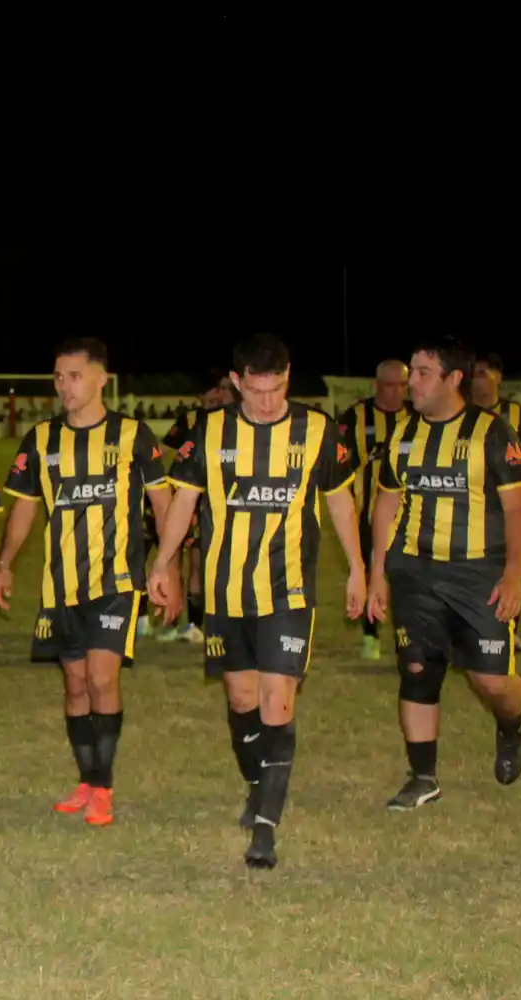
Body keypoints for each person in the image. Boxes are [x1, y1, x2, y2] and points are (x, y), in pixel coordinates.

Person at [149, 334, 366, 869]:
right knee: (242, 700)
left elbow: (340, 502)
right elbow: (185, 500)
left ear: (288, 378)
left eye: (277, 389)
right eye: (256, 391)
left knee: (278, 701)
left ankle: (266, 827)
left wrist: (359, 570)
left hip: (288, 591)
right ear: (237, 382)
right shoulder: (212, 431)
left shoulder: (317, 431)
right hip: (225, 594)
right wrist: (163, 563)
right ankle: (257, 784)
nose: (267, 403)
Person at [0, 338, 170, 826]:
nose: (64, 386)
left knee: (100, 677)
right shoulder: (42, 440)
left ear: (100, 379)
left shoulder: (134, 435)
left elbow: (162, 501)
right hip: (61, 586)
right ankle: (87, 778)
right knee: (74, 685)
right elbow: (24, 507)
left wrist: (167, 565)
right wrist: (4, 563)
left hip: (117, 582)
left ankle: (105, 788)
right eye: (58, 377)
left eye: (73, 375)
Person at [367, 337, 521, 812]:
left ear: (452, 379)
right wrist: (378, 572)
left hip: (478, 574)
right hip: (413, 571)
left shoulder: (492, 433)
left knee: (492, 682)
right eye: (409, 372)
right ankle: (423, 777)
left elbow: (519, 511)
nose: (409, 383)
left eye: (421, 373)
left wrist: (515, 575)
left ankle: (511, 724)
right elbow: (386, 500)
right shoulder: (401, 434)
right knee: (417, 669)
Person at [470, 353, 521, 653]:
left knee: (510, 562)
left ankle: (510, 629)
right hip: (473, 500)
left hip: (509, 501)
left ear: (499, 377)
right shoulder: (460, 412)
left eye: (486, 371)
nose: (481, 377)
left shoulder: (515, 413)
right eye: (475, 372)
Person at [153, 375, 239, 645]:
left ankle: (205, 623)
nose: (219, 395)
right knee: (182, 560)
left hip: (225, 508)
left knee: (210, 566)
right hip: (189, 501)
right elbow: (164, 452)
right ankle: (186, 622)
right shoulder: (195, 423)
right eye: (217, 389)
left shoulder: (241, 424)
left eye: (225, 390)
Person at [337, 359, 411, 661]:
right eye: (389, 385)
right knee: (369, 572)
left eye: (401, 386)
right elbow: (338, 464)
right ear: (376, 385)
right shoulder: (356, 416)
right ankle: (371, 634)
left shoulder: (417, 417)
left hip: (410, 515)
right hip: (364, 512)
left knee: (407, 576)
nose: (395, 392)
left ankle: (407, 635)